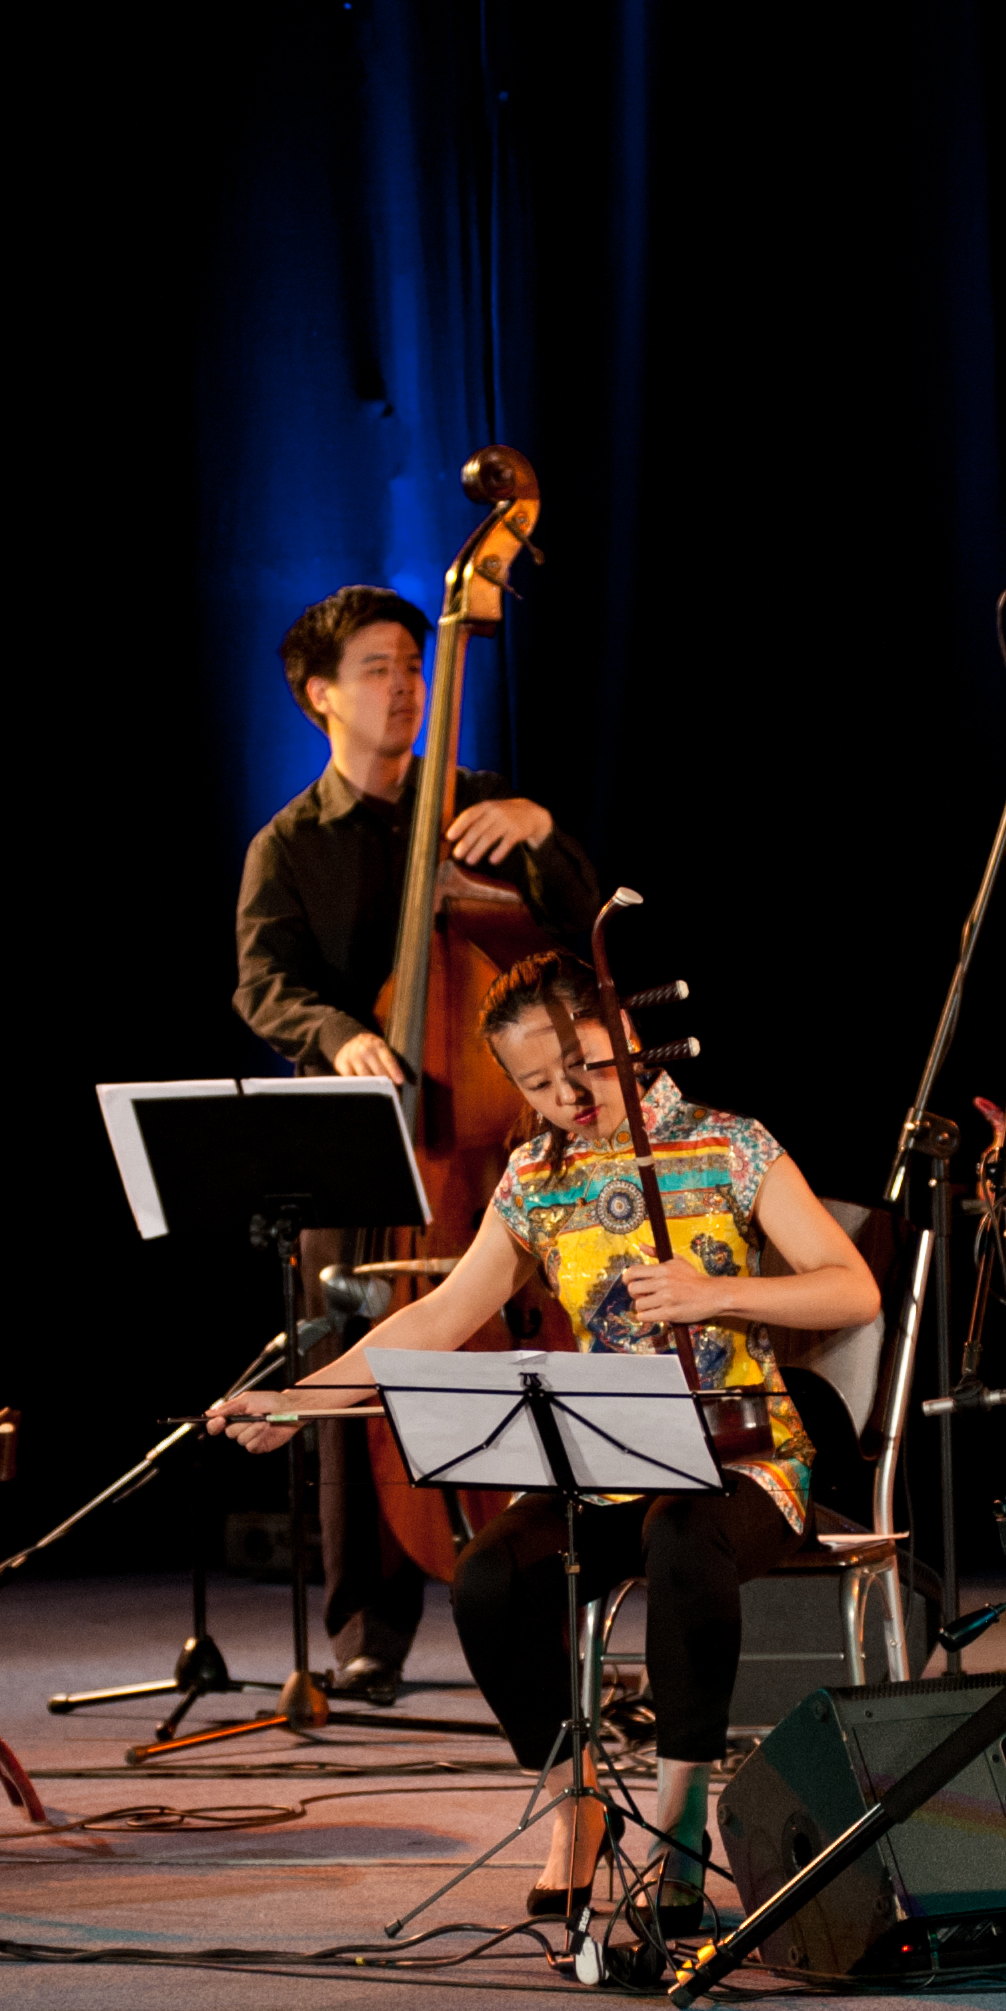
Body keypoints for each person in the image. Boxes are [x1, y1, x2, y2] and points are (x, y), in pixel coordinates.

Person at [211, 954, 876, 1927]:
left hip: (743, 1459)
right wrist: (298, 1403)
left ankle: (680, 1825)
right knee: (489, 1578)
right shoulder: (536, 1178)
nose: (569, 1097)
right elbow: (437, 1316)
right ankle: (576, 1798)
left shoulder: (730, 1145)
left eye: (588, 1068)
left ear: (629, 1037)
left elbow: (851, 1287)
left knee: (682, 1539)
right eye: (537, 1084)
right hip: (612, 1458)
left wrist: (717, 1291)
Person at [233, 584, 604, 1697]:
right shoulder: (287, 844)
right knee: (344, 1365)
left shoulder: (478, 806)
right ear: (319, 695)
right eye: (377, 670)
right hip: (357, 1138)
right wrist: (338, 1032)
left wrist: (544, 835)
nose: (404, 688)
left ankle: (552, 1580)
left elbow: (579, 928)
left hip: (483, 1150)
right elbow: (262, 982)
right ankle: (368, 1627)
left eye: (413, 665)